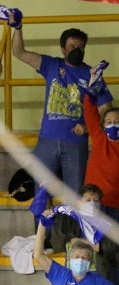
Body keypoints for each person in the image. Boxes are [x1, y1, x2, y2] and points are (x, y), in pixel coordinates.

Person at [11, 22, 113, 197]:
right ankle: (41, 226)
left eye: (81, 47)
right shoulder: (51, 65)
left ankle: (73, 226)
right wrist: (18, 27)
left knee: (75, 197)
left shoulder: (92, 75)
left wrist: (90, 127)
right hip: (46, 142)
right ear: (63, 49)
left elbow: (107, 110)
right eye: (72, 46)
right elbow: (19, 52)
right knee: (41, 196)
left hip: (76, 144)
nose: (77, 50)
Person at [84, 98, 119, 223]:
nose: (113, 125)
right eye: (109, 122)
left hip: (116, 205)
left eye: (117, 122)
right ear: (103, 125)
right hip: (94, 203)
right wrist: (90, 95)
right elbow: (89, 113)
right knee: (91, 239)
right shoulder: (99, 138)